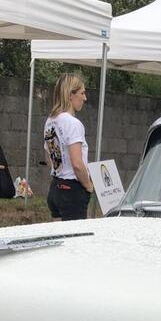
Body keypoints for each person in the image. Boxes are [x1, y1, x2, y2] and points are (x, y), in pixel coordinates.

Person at [43, 73, 94, 221]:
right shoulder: (73, 123)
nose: (85, 98)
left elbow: (48, 156)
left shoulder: (50, 121)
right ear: (70, 95)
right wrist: (88, 186)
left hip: (56, 187)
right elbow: (77, 164)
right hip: (72, 189)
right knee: (75, 240)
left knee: (59, 238)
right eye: (82, 93)